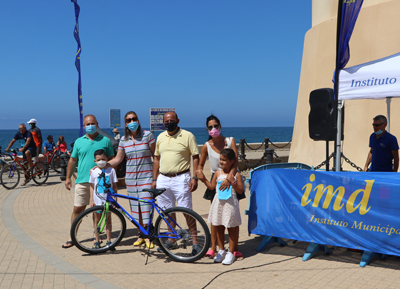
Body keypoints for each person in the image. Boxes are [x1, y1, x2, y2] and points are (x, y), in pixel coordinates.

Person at [62, 114, 114, 249]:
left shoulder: (106, 140)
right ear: (84, 126)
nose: (90, 126)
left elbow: (112, 159)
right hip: (82, 180)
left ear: (97, 124)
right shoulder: (79, 141)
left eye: (93, 123)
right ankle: (72, 236)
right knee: (78, 209)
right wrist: (68, 177)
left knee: (98, 211)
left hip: (100, 182)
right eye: (87, 124)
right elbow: (72, 160)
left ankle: (98, 237)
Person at [152, 111, 201, 254]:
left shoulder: (187, 135)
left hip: (181, 177)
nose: (168, 123)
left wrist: (195, 177)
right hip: (162, 178)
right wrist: (154, 179)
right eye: (166, 121)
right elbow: (156, 159)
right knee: (166, 212)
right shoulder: (160, 136)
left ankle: (196, 242)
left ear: (177, 120)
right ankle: (172, 239)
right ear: (163, 123)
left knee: (187, 211)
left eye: (171, 120)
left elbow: (195, 157)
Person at [196, 115, 243, 260]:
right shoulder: (206, 145)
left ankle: (233, 249)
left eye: (215, 126)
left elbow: (235, 161)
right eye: (210, 127)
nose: (213, 129)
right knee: (216, 215)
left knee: (231, 214)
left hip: (232, 178)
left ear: (220, 126)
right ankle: (214, 247)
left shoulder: (230, 141)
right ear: (207, 129)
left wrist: (231, 177)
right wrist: (198, 173)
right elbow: (200, 165)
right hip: (216, 180)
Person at [106, 111, 156, 248]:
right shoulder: (123, 139)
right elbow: (118, 159)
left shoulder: (148, 135)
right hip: (131, 179)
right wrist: (103, 165)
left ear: (138, 120)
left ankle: (148, 236)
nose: (131, 121)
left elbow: (155, 156)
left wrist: (156, 177)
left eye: (134, 119)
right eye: (128, 120)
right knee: (136, 209)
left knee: (146, 207)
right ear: (126, 123)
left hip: (146, 177)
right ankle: (140, 234)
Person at [200, 148, 243, 265]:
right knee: (219, 226)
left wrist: (232, 181)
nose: (221, 162)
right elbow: (211, 187)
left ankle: (231, 252)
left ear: (232, 161)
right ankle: (222, 250)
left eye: (224, 160)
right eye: (221, 159)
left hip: (230, 204)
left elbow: (240, 190)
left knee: (231, 228)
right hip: (218, 203)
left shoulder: (236, 174)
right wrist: (203, 179)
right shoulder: (217, 173)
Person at [89, 149, 118, 250]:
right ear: (95, 161)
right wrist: (91, 200)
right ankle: (97, 241)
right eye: (98, 159)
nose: (101, 161)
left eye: (103, 159)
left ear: (107, 159)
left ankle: (109, 241)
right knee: (97, 221)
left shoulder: (112, 170)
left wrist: (115, 197)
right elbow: (92, 186)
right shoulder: (93, 171)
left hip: (108, 199)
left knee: (108, 220)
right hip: (97, 200)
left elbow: (114, 185)